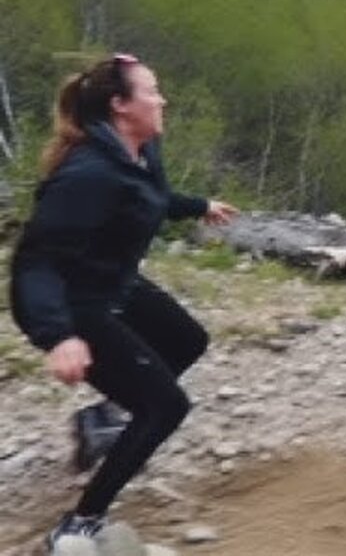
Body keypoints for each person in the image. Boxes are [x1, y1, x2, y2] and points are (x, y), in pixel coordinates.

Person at [8, 53, 238, 550]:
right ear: (121, 106)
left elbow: (151, 198)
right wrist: (60, 335)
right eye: (152, 90)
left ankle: (101, 423)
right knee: (165, 407)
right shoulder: (88, 175)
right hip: (70, 303)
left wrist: (199, 206)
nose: (162, 99)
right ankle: (79, 524)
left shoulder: (140, 151)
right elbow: (36, 264)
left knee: (187, 340)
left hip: (112, 284)